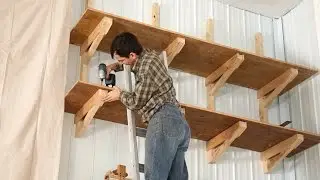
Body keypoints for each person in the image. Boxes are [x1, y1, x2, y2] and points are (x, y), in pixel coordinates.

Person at [102, 32, 191, 180]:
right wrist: (114, 66)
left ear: (132, 55)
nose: (123, 63)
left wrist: (120, 95)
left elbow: (137, 102)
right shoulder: (149, 56)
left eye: (123, 60)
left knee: (154, 177)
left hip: (163, 120)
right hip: (180, 125)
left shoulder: (145, 70)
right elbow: (133, 61)